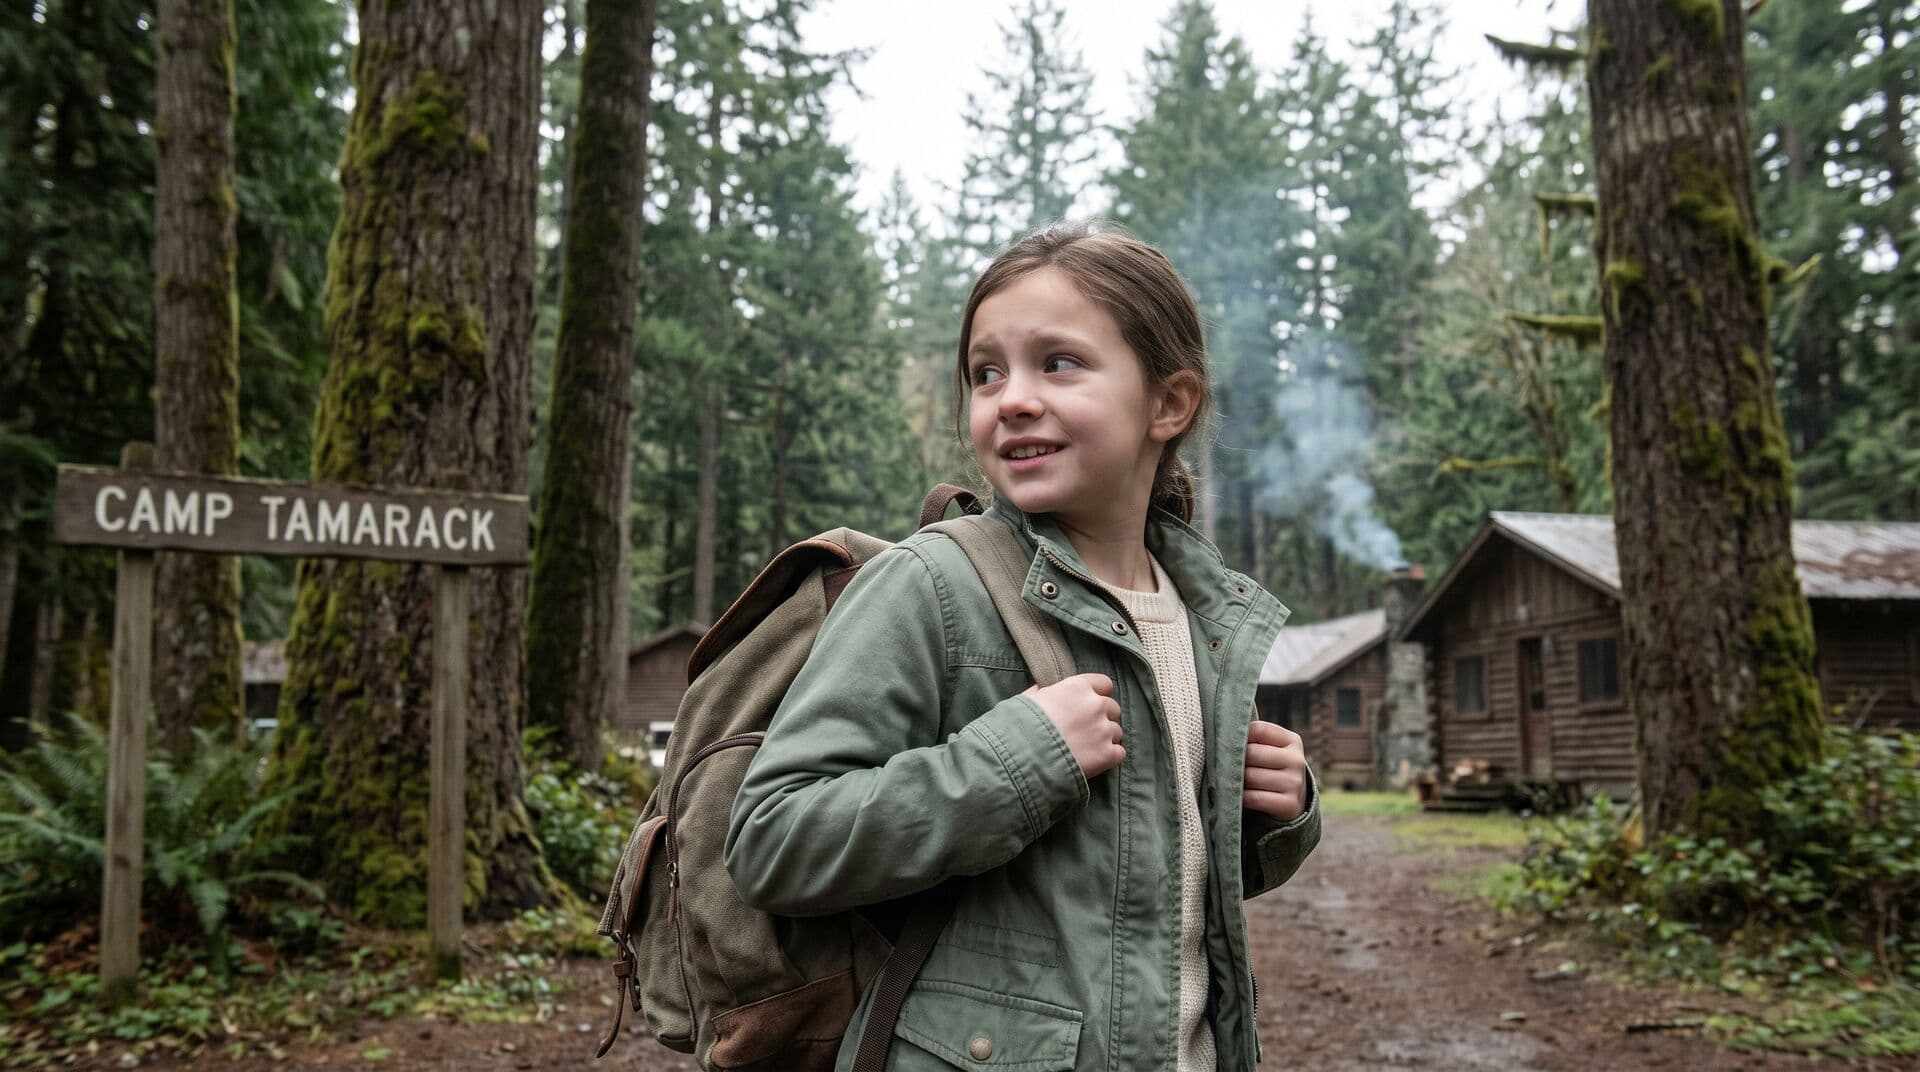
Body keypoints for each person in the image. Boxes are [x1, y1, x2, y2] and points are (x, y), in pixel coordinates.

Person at [724, 219, 1321, 1072]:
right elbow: (770, 840)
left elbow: (1148, 893)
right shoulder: (931, 586)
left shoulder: (1207, 618)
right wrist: (1013, 763)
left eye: (1059, 363)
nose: (1011, 399)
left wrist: (1276, 817)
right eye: (986, 372)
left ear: (1169, 404)